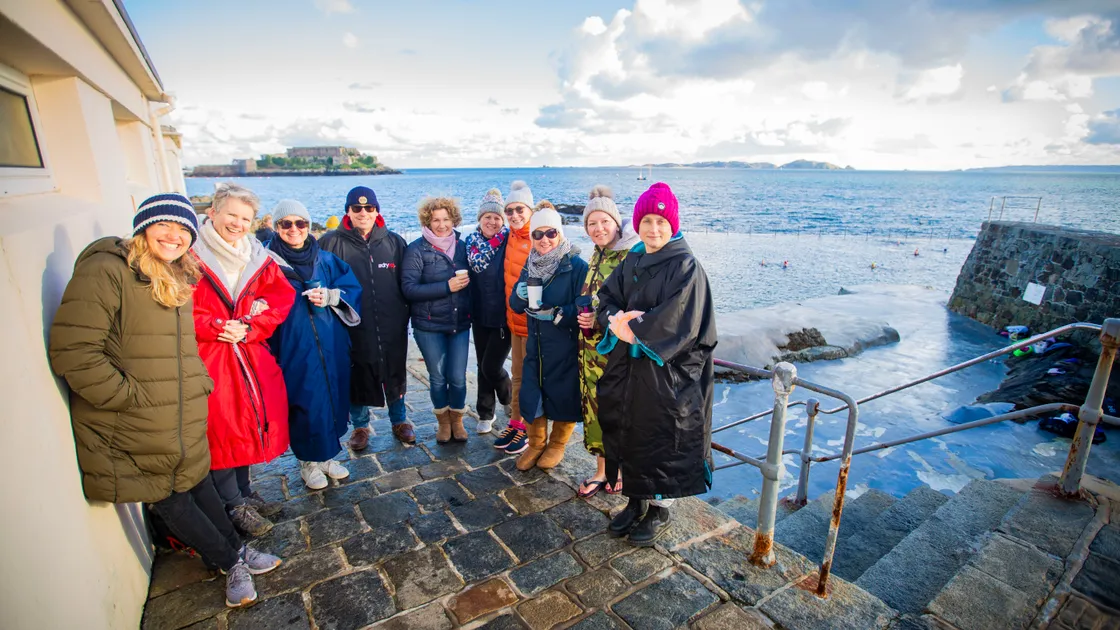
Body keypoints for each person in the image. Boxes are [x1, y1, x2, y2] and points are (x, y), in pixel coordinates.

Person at [48, 193, 282, 608]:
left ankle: (236, 550)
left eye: (182, 230)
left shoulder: (172, 274)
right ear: (143, 227)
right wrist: (127, 398)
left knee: (199, 484)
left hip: (177, 409)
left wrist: (198, 386)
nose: (173, 236)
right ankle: (229, 562)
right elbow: (73, 351)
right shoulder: (108, 271)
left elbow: (179, 346)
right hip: (136, 416)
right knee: (170, 498)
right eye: (163, 225)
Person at [596, 182, 718, 547]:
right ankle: (636, 501)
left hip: (669, 374)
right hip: (630, 370)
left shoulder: (686, 267)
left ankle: (659, 509)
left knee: (662, 438)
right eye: (647, 221)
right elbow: (607, 298)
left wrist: (634, 327)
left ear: (673, 224)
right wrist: (615, 320)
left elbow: (680, 320)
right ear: (637, 224)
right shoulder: (633, 259)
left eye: (661, 221)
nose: (653, 229)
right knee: (631, 432)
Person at [193, 183, 295, 537]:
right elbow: (179, 307)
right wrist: (217, 326)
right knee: (221, 426)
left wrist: (251, 326)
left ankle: (245, 491)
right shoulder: (191, 257)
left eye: (245, 218)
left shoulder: (255, 255)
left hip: (247, 349)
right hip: (211, 353)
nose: (237, 223)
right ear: (213, 213)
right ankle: (232, 504)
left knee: (248, 421)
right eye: (231, 215)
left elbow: (280, 298)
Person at [267, 200, 363, 490]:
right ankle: (308, 462)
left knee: (331, 397)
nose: (294, 229)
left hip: (330, 343)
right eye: (286, 224)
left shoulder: (326, 260)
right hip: (293, 346)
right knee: (304, 401)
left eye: (300, 223)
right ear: (276, 227)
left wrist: (332, 296)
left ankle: (327, 456)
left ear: (308, 226)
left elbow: (352, 289)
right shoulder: (267, 265)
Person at [320, 186, 413, 448]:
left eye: (369, 208)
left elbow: (407, 282)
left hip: (391, 323)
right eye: (357, 208)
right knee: (357, 373)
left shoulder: (394, 242)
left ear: (377, 211)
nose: (363, 213)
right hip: (351, 324)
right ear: (348, 211)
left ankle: (400, 420)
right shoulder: (330, 243)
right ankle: (360, 426)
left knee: (394, 371)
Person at [509, 203, 588, 471]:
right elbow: (515, 305)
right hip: (536, 344)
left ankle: (557, 445)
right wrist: (518, 295)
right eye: (538, 234)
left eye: (551, 233)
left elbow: (585, 306)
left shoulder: (576, 266)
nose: (544, 239)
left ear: (560, 234)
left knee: (564, 395)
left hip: (564, 346)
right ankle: (536, 444)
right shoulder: (530, 263)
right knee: (533, 395)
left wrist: (556, 313)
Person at [575, 186, 639, 498]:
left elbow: (634, 307)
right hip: (588, 352)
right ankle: (602, 471)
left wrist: (599, 320)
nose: (598, 228)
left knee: (618, 410)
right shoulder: (597, 253)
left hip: (615, 352)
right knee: (595, 411)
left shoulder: (630, 256)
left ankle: (620, 471)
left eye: (604, 222)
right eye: (591, 224)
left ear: (616, 222)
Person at [401, 197, 473, 443]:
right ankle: (443, 422)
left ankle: (457, 419)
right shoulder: (416, 249)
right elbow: (409, 289)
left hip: (459, 323)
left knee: (458, 377)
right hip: (429, 325)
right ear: (427, 222)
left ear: (454, 220)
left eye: (446, 219)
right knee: (438, 377)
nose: (442, 225)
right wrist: (447, 286)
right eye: (436, 220)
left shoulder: (463, 246)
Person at [492, 181, 535, 454]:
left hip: (534, 323)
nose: (514, 215)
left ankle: (530, 430)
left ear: (530, 209)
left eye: (520, 209)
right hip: (514, 321)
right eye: (509, 210)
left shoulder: (539, 235)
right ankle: (516, 423)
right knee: (517, 376)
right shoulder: (510, 237)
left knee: (531, 378)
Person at [465, 189, 512, 435]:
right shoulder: (470, 243)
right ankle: (485, 413)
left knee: (491, 366)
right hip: (479, 314)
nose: (492, 222)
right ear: (480, 218)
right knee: (482, 364)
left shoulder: (509, 241)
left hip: (503, 316)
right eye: (487, 217)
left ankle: (508, 397)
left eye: (497, 217)